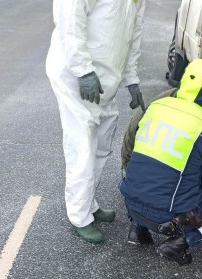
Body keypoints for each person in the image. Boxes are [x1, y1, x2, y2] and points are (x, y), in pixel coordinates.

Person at [119, 59, 202, 265]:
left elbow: (128, 150)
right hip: (166, 217)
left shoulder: (156, 106)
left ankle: (137, 230)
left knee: (145, 171)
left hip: (129, 201)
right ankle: (178, 243)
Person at [46, 0, 145, 244]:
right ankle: (79, 216)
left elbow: (133, 36)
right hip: (76, 78)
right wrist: (82, 70)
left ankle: (88, 202)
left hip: (105, 81)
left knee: (101, 146)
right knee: (83, 146)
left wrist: (132, 80)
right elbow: (70, 19)